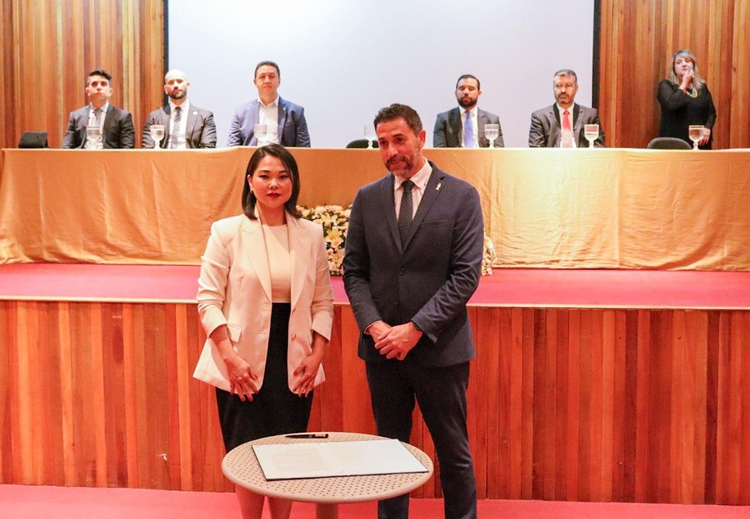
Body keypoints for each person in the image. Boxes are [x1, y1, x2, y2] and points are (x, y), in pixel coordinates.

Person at [343, 103, 483, 519]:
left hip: (440, 350)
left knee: (453, 454)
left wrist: (416, 328)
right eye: (382, 143)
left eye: (399, 140)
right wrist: (374, 325)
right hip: (383, 350)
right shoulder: (367, 198)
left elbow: (465, 275)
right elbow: (354, 272)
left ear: (421, 138)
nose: (391, 151)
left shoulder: (460, 195)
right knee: (389, 456)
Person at [193, 144, 333, 519]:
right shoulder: (227, 232)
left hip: (295, 358)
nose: (274, 184)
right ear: (250, 182)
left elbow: (323, 302)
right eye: (265, 176)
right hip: (241, 360)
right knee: (247, 453)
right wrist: (229, 358)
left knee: (286, 452)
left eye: (283, 176)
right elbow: (208, 301)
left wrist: (317, 355)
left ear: (293, 182)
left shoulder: (311, 234)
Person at [227, 61, 311, 147]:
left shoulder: (296, 112)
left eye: (271, 76)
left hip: (282, 156)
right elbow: (232, 147)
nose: (267, 80)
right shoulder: (241, 112)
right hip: (251, 156)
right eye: (262, 77)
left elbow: (304, 149)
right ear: (255, 82)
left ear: (279, 81)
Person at [528, 69, 605, 148]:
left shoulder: (590, 116)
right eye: (558, 86)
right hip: (551, 156)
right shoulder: (540, 117)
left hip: (581, 156)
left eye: (568, 85)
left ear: (576, 88)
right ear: (553, 88)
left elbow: (598, 147)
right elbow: (536, 149)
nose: (563, 90)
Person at [141, 69, 217, 149]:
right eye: (171, 82)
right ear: (165, 89)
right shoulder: (154, 117)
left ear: (188, 85)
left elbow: (208, 149)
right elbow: (148, 149)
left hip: (191, 157)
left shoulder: (204, 117)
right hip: (163, 157)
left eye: (179, 81)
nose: (176, 85)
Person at [657, 49, 717, 149]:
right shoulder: (666, 85)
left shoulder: (702, 88)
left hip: (701, 142)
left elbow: (711, 113)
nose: (684, 64)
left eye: (687, 61)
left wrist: (707, 128)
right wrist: (685, 83)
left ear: (693, 65)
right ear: (674, 68)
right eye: (679, 62)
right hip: (675, 143)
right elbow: (672, 104)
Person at [62, 68, 135, 149]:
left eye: (103, 84)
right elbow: (67, 147)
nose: (99, 87)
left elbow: (127, 149)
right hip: (81, 156)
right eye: (94, 84)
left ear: (110, 92)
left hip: (110, 157)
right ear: (87, 91)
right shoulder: (75, 116)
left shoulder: (123, 117)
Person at [433, 74, 504, 148]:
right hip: (454, 156)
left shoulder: (492, 120)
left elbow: (499, 150)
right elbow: (439, 150)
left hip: (482, 155)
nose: (466, 92)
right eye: (462, 88)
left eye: (471, 89)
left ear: (479, 93)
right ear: (456, 93)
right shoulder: (443, 119)